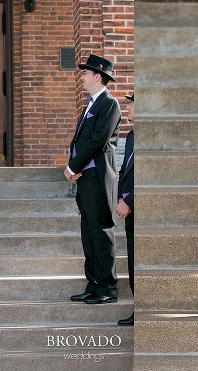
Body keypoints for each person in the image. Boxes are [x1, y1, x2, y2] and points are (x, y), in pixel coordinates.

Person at [65, 54, 121, 305]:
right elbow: (80, 140)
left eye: (86, 73)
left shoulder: (109, 104)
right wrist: (76, 168)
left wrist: (72, 166)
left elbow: (98, 140)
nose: (82, 77)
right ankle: (93, 284)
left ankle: (108, 287)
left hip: (98, 177)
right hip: (85, 177)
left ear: (98, 76)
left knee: (101, 231)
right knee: (88, 232)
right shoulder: (91, 104)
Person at [115, 93, 134, 326]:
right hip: (128, 206)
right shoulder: (130, 136)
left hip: (137, 206)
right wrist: (121, 196)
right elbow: (124, 170)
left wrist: (129, 200)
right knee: (131, 259)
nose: (127, 108)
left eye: (131, 104)